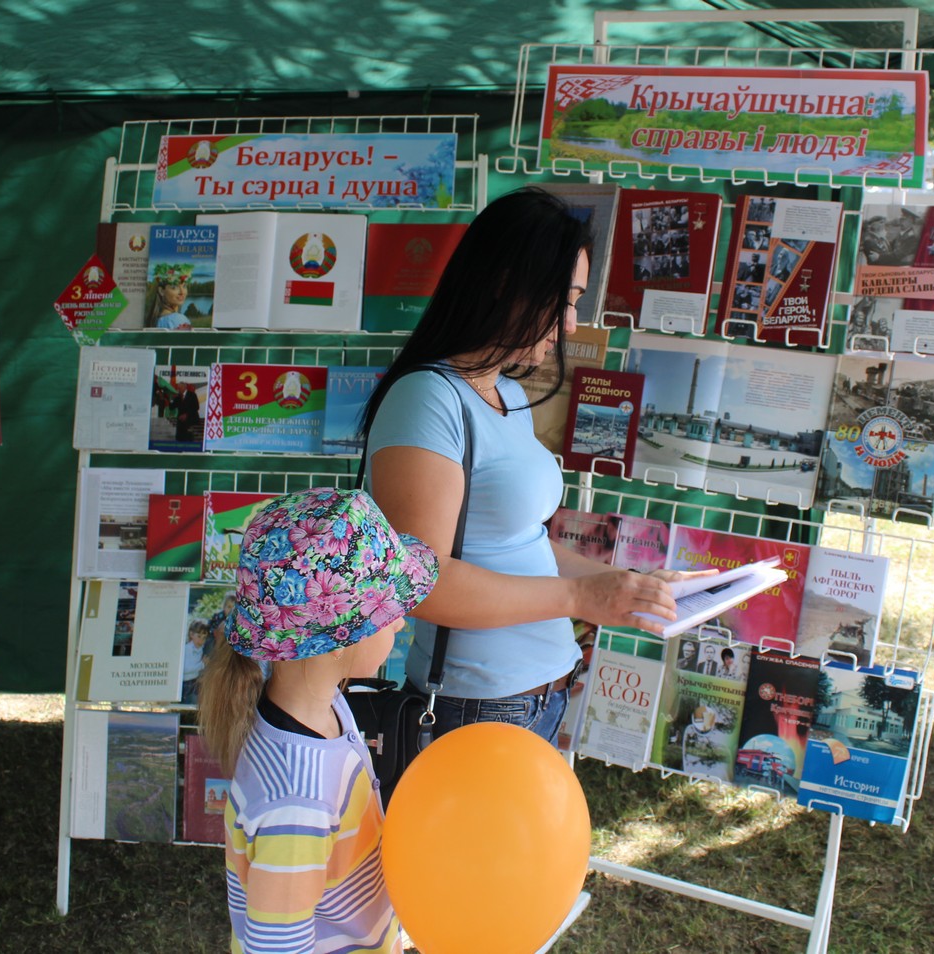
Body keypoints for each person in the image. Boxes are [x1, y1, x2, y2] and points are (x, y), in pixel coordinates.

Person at [360, 187, 698, 744]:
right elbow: (420, 582)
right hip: (477, 706)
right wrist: (582, 599)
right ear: (504, 282)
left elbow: (523, 544)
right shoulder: (428, 398)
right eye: (564, 300)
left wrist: (630, 586)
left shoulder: (510, 395)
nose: (570, 325)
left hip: (543, 695)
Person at [198, 487, 441, 954]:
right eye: (387, 611)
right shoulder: (297, 801)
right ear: (335, 640)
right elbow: (276, 946)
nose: (400, 622)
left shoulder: (325, 705)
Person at [147, 263, 194, 330]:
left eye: (184, 286)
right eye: (174, 287)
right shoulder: (178, 320)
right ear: (161, 291)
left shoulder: (156, 319)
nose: (182, 292)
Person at [180, 620, 208, 704]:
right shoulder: (187, 649)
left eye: (204, 638)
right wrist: (202, 665)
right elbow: (185, 669)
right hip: (186, 684)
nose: (201, 640)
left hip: (195, 682)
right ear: (191, 634)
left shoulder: (201, 649)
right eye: (199, 636)